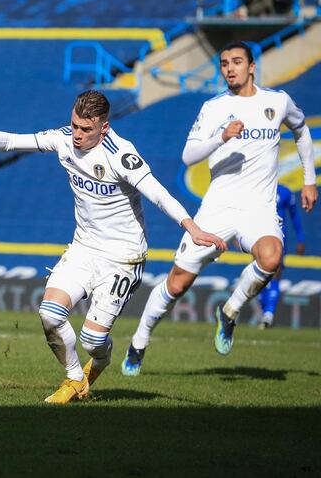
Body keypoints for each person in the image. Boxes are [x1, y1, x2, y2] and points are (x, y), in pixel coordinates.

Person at [0, 90, 225, 404]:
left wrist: (191, 227)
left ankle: (101, 357)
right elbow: (16, 141)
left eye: (86, 129)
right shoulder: (64, 138)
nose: (77, 135)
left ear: (104, 127)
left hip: (124, 258)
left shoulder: (121, 155)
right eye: (75, 126)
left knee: (93, 340)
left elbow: (158, 193)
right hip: (84, 247)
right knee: (50, 315)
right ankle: (74, 378)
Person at [123, 41, 317, 375]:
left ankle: (230, 312)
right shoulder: (214, 108)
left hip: (259, 209)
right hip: (218, 209)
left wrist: (309, 179)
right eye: (225, 63)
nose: (229, 68)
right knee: (177, 284)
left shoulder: (277, 101)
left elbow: (301, 131)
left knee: (271, 257)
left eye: (237, 62)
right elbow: (188, 156)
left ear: (251, 66)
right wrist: (222, 138)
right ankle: (139, 341)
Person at [258, 183, 306, 328]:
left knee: (275, 274)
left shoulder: (285, 192)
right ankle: (266, 312)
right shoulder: (257, 187)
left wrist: (301, 238)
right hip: (257, 237)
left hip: (279, 238)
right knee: (259, 276)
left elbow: (295, 216)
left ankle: (269, 314)